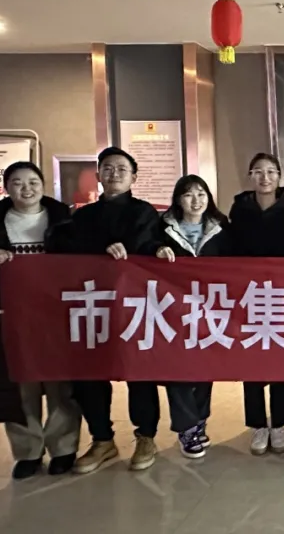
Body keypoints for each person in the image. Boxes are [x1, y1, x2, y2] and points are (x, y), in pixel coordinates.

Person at [0, 161, 80, 480]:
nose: (27, 189)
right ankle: (28, 451)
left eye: (33, 182)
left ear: (42, 185)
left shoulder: (63, 218)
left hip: (56, 313)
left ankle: (63, 447)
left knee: (61, 382)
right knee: (19, 382)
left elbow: (84, 259)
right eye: (18, 183)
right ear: (7, 188)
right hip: (10, 315)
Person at [48, 147, 162, 474]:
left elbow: (146, 246)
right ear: (98, 175)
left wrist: (153, 250)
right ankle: (102, 439)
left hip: (133, 304)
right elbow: (63, 248)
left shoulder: (144, 212)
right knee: (90, 372)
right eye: (108, 168)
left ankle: (146, 436)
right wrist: (101, 249)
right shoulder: (81, 217)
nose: (114, 174)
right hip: (92, 305)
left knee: (139, 372)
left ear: (134, 177)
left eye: (122, 169)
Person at [228, 153, 284, 456]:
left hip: (282, 298)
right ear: (250, 176)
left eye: (271, 172)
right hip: (248, 297)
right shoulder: (240, 210)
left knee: (280, 361)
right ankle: (258, 424)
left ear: (280, 177)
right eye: (258, 171)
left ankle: (279, 423)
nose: (265, 177)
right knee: (252, 362)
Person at [152, 175, 231, 459]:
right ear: (178, 199)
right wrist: (155, 250)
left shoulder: (221, 227)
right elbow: (144, 251)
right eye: (188, 194)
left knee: (204, 368)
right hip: (172, 311)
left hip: (209, 309)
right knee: (178, 369)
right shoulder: (162, 228)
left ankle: (200, 421)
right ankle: (186, 427)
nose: (196, 200)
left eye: (201, 194)